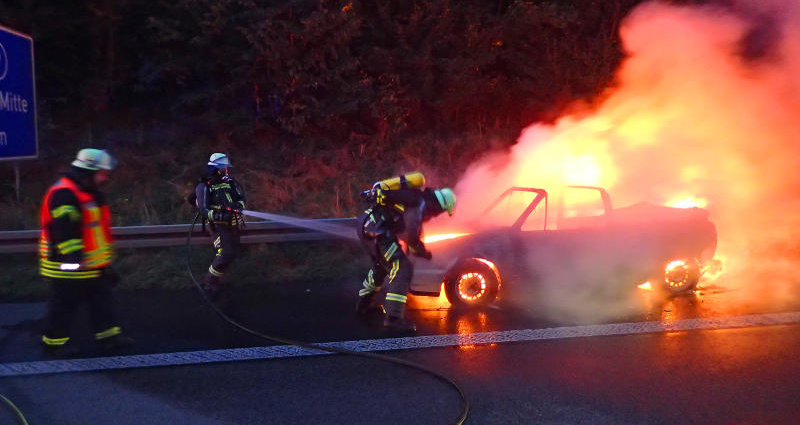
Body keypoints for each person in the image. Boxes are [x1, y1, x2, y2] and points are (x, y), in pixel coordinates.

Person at [39, 148, 135, 357]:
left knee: (102, 303)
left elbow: (96, 232)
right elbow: (64, 230)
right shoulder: (64, 193)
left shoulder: (88, 193)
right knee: (64, 306)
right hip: (67, 265)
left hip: (91, 264)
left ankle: (109, 339)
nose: (104, 177)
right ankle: (54, 345)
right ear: (88, 172)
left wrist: (104, 264)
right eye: (102, 173)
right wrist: (75, 258)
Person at [356, 172, 456, 333]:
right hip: (378, 231)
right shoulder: (420, 203)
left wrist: (417, 248)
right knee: (402, 269)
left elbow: (405, 227)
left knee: (381, 267)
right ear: (441, 205)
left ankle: (363, 306)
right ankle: (393, 320)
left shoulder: (415, 198)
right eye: (442, 211)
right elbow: (411, 232)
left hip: (367, 225)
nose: (437, 215)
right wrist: (420, 250)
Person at [192, 153, 247, 299]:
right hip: (218, 226)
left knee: (232, 254)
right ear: (215, 168)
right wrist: (219, 215)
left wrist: (238, 206)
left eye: (227, 168)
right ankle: (209, 282)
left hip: (233, 224)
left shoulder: (231, 182)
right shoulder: (204, 186)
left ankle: (217, 280)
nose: (226, 171)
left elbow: (241, 198)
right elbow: (203, 211)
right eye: (223, 168)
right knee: (225, 253)